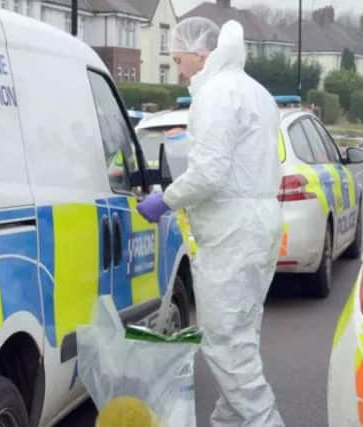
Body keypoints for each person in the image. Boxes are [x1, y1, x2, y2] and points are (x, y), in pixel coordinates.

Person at [136, 17, 285, 427]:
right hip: (257, 224)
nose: (179, 70)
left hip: (232, 230)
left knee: (223, 345)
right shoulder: (256, 92)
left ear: (201, 54)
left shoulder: (216, 95)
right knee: (240, 339)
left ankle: (265, 421)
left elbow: (208, 175)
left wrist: (163, 200)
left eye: (180, 59)